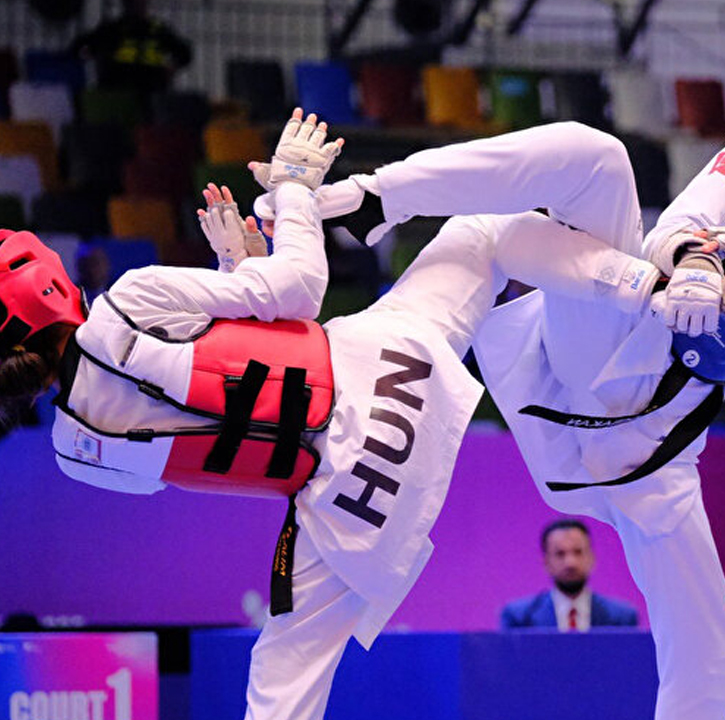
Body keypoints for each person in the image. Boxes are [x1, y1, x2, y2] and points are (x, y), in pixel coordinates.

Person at [280, 25, 725, 720]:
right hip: (614, 352)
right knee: (584, 166)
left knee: (715, 658)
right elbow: (680, 224)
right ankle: (373, 197)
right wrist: (698, 262)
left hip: (658, 446)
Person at [1, 110, 684, 719]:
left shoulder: (74, 450)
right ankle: (637, 284)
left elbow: (209, 418)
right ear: (43, 284)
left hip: (346, 504)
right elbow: (300, 289)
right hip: (384, 381)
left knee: (281, 681)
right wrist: (294, 191)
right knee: (483, 234)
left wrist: (235, 272)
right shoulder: (130, 298)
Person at [500, 518, 639, 630]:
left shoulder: (622, 618)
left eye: (578, 552)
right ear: (546, 562)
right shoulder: (520, 618)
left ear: (592, 558)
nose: (570, 563)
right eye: (560, 554)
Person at [70, 0, 192, 96]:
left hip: (144, 91)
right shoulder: (113, 30)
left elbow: (184, 54)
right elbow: (80, 47)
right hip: (122, 92)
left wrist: (170, 69)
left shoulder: (156, 31)